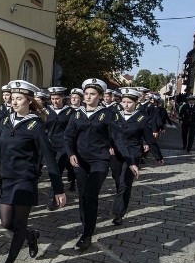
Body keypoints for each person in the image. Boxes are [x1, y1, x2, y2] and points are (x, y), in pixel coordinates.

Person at [0, 80, 66, 263]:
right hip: (7, 178)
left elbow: (49, 158)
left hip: (25, 180)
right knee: (6, 223)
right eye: (12, 98)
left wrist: (58, 189)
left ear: (29, 101)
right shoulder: (6, 121)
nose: (14, 102)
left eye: (19, 98)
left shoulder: (36, 125)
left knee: (19, 223)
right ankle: (30, 235)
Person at [64, 78, 136, 251]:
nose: (88, 97)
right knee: (82, 195)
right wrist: (71, 153)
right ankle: (86, 224)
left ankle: (87, 234)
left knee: (91, 194)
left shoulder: (108, 114)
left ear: (101, 96)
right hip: (80, 160)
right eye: (86, 94)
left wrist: (130, 161)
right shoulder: (76, 114)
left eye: (92, 94)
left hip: (100, 160)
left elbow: (118, 138)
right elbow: (67, 137)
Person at [110, 88, 164, 225]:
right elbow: (109, 133)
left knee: (125, 183)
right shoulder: (115, 115)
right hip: (116, 153)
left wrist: (158, 156)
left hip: (133, 153)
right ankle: (120, 197)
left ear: (135, 103)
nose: (126, 105)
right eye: (123, 102)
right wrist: (109, 146)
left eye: (129, 102)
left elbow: (149, 138)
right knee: (117, 179)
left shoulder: (141, 118)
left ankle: (119, 213)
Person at [45, 86, 74, 207]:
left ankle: (53, 197)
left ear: (63, 98)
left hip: (63, 145)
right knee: (52, 170)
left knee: (56, 169)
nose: (55, 101)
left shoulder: (70, 111)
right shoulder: (46, 110)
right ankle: (58, 190)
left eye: (57, 98)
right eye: (52, 98)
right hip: (50, 145)